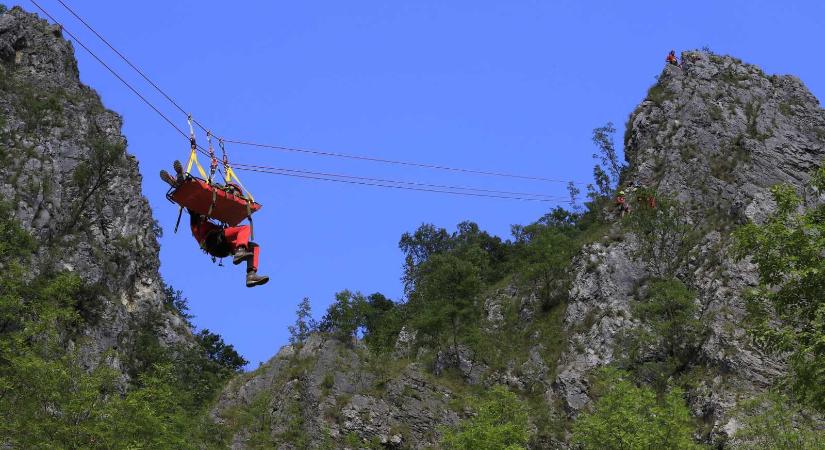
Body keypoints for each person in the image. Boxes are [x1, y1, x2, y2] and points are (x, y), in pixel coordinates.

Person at [160, 161, 270, 288]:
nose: (235, 195)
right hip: (214, 241)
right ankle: (179, 181)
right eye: (235, 193)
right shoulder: (198, 216)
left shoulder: (204, 217)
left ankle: (251, 275)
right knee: (244, 229)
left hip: (220, 245)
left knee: (254, 246)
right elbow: (192, 200)